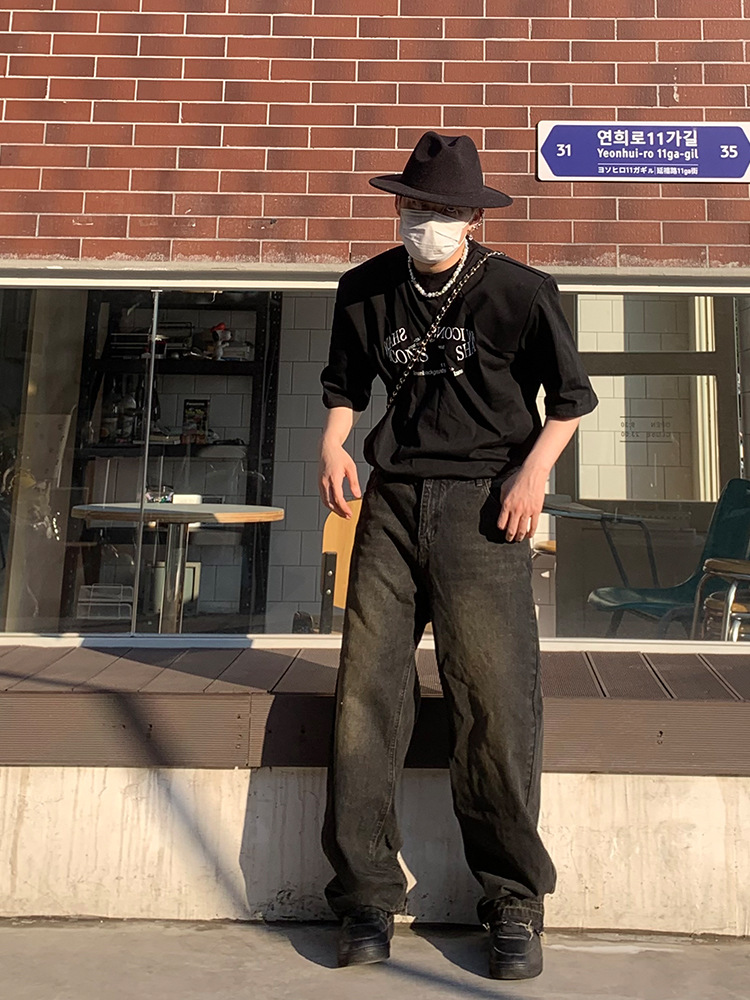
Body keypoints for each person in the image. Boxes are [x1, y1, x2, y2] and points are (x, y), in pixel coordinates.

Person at [318, 131, 597, 980]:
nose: (425, 222)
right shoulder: (366, 289)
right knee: (367, 695)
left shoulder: (520, 292)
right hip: (391, 504)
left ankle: (513, 901)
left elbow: (571, 399)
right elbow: (345, 384)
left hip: (486, 510)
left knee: (495, 701)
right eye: (414, 206)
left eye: (442, 210)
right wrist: (334, 442)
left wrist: (532, 476)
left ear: (474, 219)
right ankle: (364, 897)